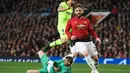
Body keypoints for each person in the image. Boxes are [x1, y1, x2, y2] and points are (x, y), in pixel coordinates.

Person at [65, 3, 101, 73]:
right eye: (77, 10)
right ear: (74, 12)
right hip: (78, 41)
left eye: (79, 10)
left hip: (88, 40)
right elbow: (66, 30)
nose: (78, 12)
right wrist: (70, 36)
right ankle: (95, 70)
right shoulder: (71, 21)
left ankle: (93, 70)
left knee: (96, 59)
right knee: (85, 54)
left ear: (82, 11)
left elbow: (90, 30)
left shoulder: (87, 20)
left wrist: (96, 37)